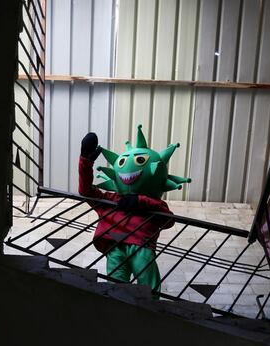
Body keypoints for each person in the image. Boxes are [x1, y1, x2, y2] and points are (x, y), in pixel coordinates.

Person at [78, 125, 191, 291]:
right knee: (116, 287)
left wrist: (140, 201)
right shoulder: (110, 199)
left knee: (148, 285)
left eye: (140, 161)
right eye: (122, 161)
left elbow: (168, 220)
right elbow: (85, 191)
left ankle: (152, 310)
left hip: (141, 244)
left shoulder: (154, 203)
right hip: (115, 244)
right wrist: (85, 161)